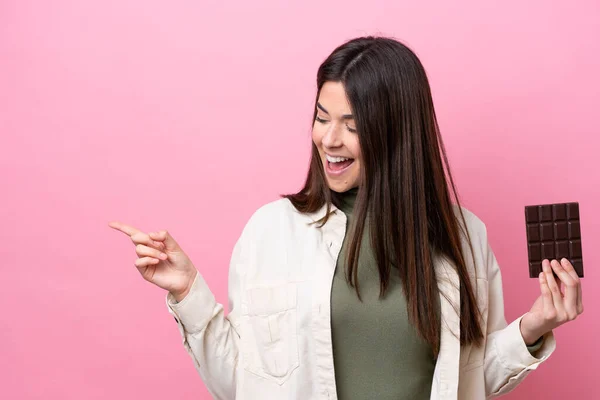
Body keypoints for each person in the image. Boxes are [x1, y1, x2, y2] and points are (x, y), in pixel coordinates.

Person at [109, 36, 583, 399]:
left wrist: (533, 328)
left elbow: (470, 380)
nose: (329, 139)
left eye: (352, 126)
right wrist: (188, 292)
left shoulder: (463, 237)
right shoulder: (271, 232)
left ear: (397, 132)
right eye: (321, 117)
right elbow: (241, 383)